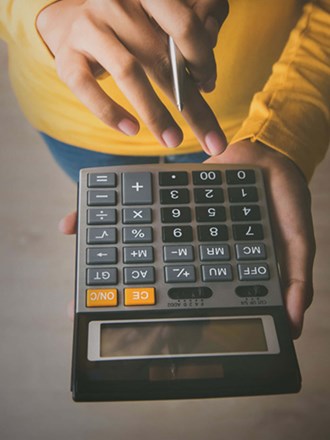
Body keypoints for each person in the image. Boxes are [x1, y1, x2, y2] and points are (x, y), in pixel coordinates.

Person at [1, 0, 329, 338]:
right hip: (80, 117)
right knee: (136, 232)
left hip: (241, 126)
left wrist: (285, 124)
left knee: (204, 253)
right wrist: (46, 14)